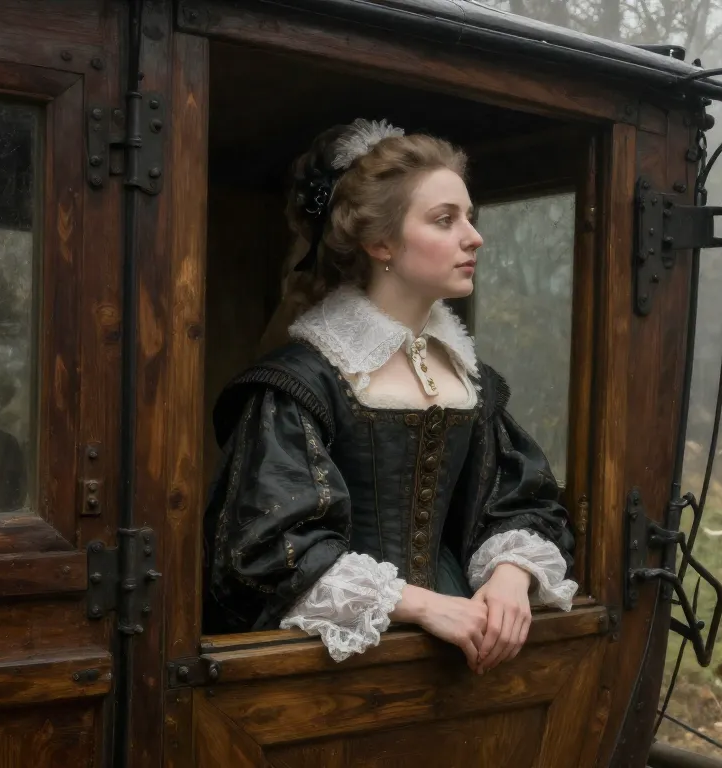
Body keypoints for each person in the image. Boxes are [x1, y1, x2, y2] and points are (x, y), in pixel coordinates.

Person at [202, 119, 576, 674]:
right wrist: (424, 606)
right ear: (379, 242)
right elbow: (266, 552)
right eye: (445, 220)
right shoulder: (305, 380)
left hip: (465, 649)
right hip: (333, 657)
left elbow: (521, 498)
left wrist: (511, 577)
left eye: (468, 217)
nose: (474, 237)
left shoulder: (470, 379)